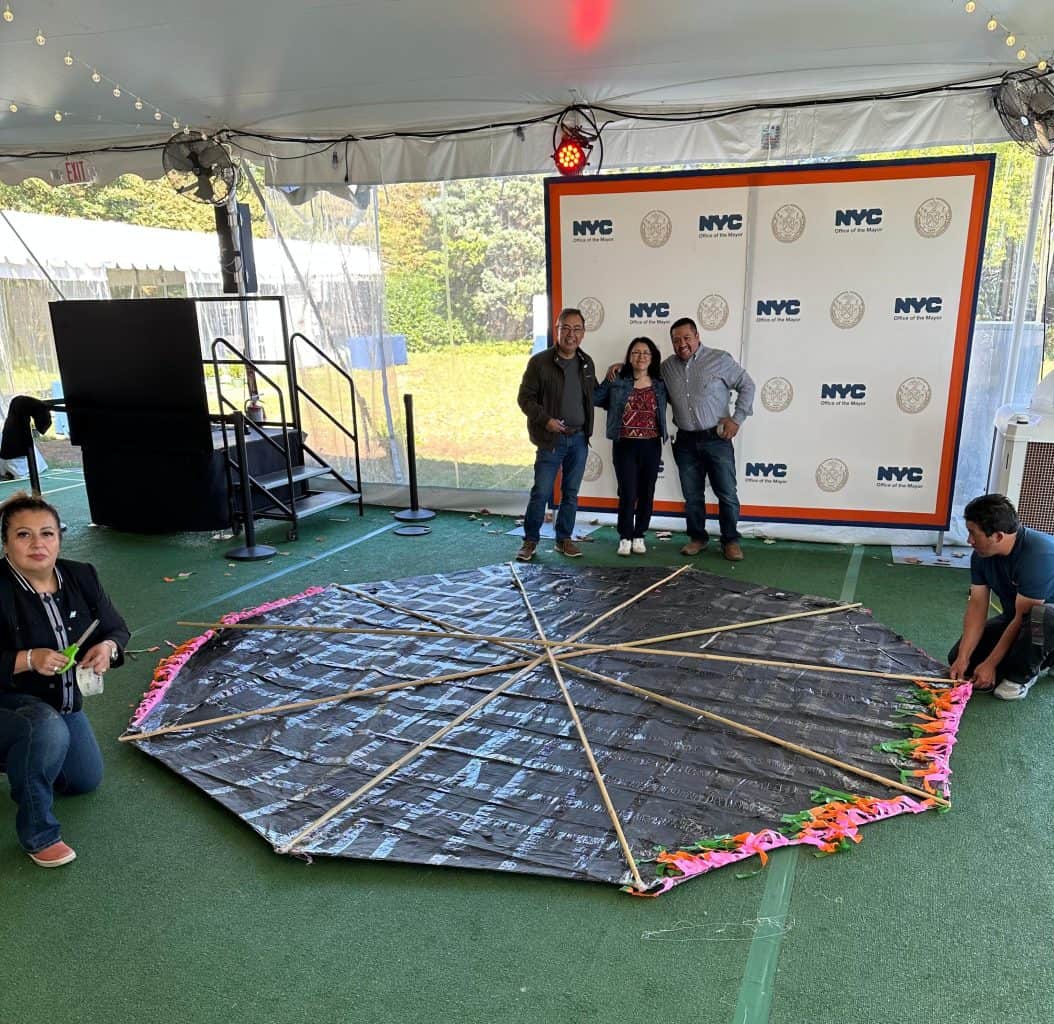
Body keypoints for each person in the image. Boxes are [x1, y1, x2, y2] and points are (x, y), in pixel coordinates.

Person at [0, 492, 129, 866]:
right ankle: (39, 835)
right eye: (23, 535)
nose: (38, 544)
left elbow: (117, 628)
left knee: (83, 780)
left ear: (59, 537)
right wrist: (26, 659)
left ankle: (21, 755)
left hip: (63, 704)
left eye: (47, 533)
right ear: (6, 542)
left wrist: (107, 648)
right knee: (43, 726)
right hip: (12, 703)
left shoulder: (80, 574)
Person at [948, 493, 1054, 700]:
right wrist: (963, 657)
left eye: (973, 533)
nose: (969, 540)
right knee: (961, 659)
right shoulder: (981, 555)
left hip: (1042, 621)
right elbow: (977, 606)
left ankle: (1024, 675)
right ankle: (1028, 660)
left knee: (1041, 616)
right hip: (1019, 619)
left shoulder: (1040, 555)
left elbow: (1023, 617)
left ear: (997, 536)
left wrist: (990, 664)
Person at [515, 308, 597, 561]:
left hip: (579, 439)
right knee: (541, 491)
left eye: (577, 329)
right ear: (557, 330)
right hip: (551, 440)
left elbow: (593, 395)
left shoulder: (587, 363)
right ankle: (530, 541)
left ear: (583, 333)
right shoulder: (539, 363)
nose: (571, 335)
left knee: (570, 493)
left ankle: (564, 539)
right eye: (566, 328)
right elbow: (524, 398)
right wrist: (546, 420)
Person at [592, 337, 669, 556]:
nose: (641, 356)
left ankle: (639, 535)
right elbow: (597, 398)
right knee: (628, 492)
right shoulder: (619, 379)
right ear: (629, 356)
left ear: (652, 357)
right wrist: (609, 375)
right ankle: (625, 536)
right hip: (624, 444)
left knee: (647, 492)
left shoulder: (660, 384)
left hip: (652, 445)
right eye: (636, 352)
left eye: (646, 352)